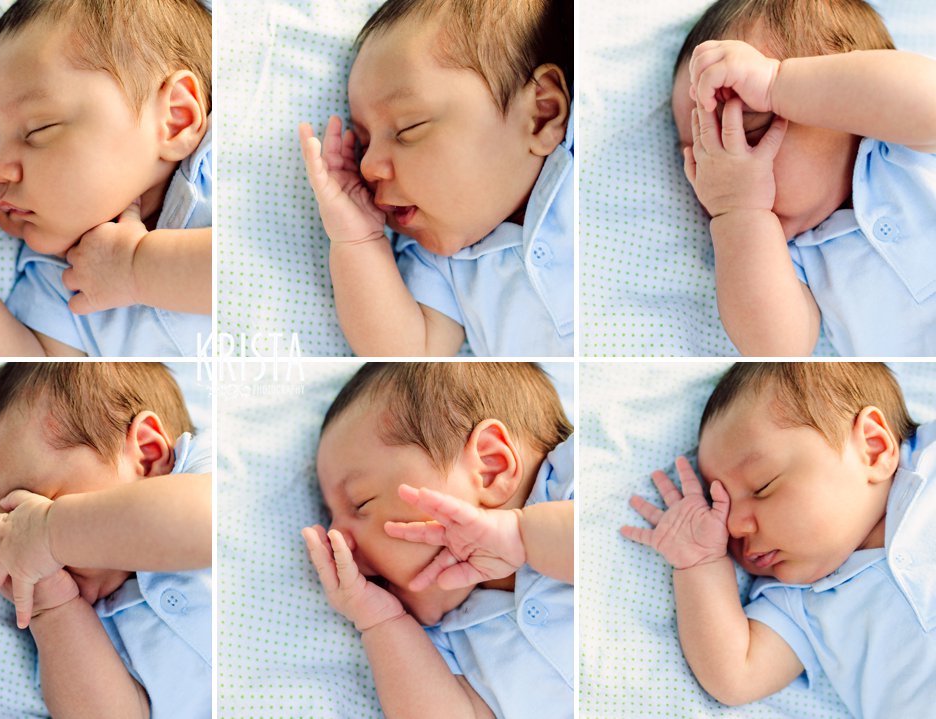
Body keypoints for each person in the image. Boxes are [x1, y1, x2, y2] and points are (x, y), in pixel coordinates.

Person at [0, 0, 212, 356]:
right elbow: (33, 367)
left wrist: (134, 267)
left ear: (176, 119)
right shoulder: (56, 275)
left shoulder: (214, 173)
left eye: (38, 130)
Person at [622, 363, 936, 715]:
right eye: (719, 507)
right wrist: (700, 562)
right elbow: (735, 675)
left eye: (762, 486)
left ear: (873, 449)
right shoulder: (799, 599)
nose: (735, 527)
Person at [0, 363, 211, 718]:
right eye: (6, 533)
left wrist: (50, 532)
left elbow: (202, 523)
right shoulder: (90, 627)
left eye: (34, 511)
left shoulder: (198, 471)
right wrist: (52, 608)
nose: (19, 550)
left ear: (148, 453)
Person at [298, 0, 573, 357]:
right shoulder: (436, 260)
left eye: (408, 129)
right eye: (364, 144)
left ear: (541, 114)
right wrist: (359, 240)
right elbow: (408, 353)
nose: (367, 167)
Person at [302, 363, 573, 717]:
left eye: (361, 503)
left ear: (490, 467)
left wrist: (520, 536)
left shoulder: (570, 482)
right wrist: (381, 622)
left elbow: (602, 550)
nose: (338, 539)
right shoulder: (444, 639)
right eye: (330, 518)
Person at [673, 0, 936, 356]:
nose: (724, 168)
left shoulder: (909, 150)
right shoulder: (789, 258)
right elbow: (776, 346)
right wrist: (740, 211)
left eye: (748, 126)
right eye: (699, 158)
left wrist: (774, 84)